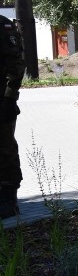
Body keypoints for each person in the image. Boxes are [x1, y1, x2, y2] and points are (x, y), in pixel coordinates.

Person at [0, 15, 25, 219]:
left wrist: (9, 98)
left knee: (4, 146)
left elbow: (16, 64)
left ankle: (9, 198)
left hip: (1, 100)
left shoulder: (3, 26)